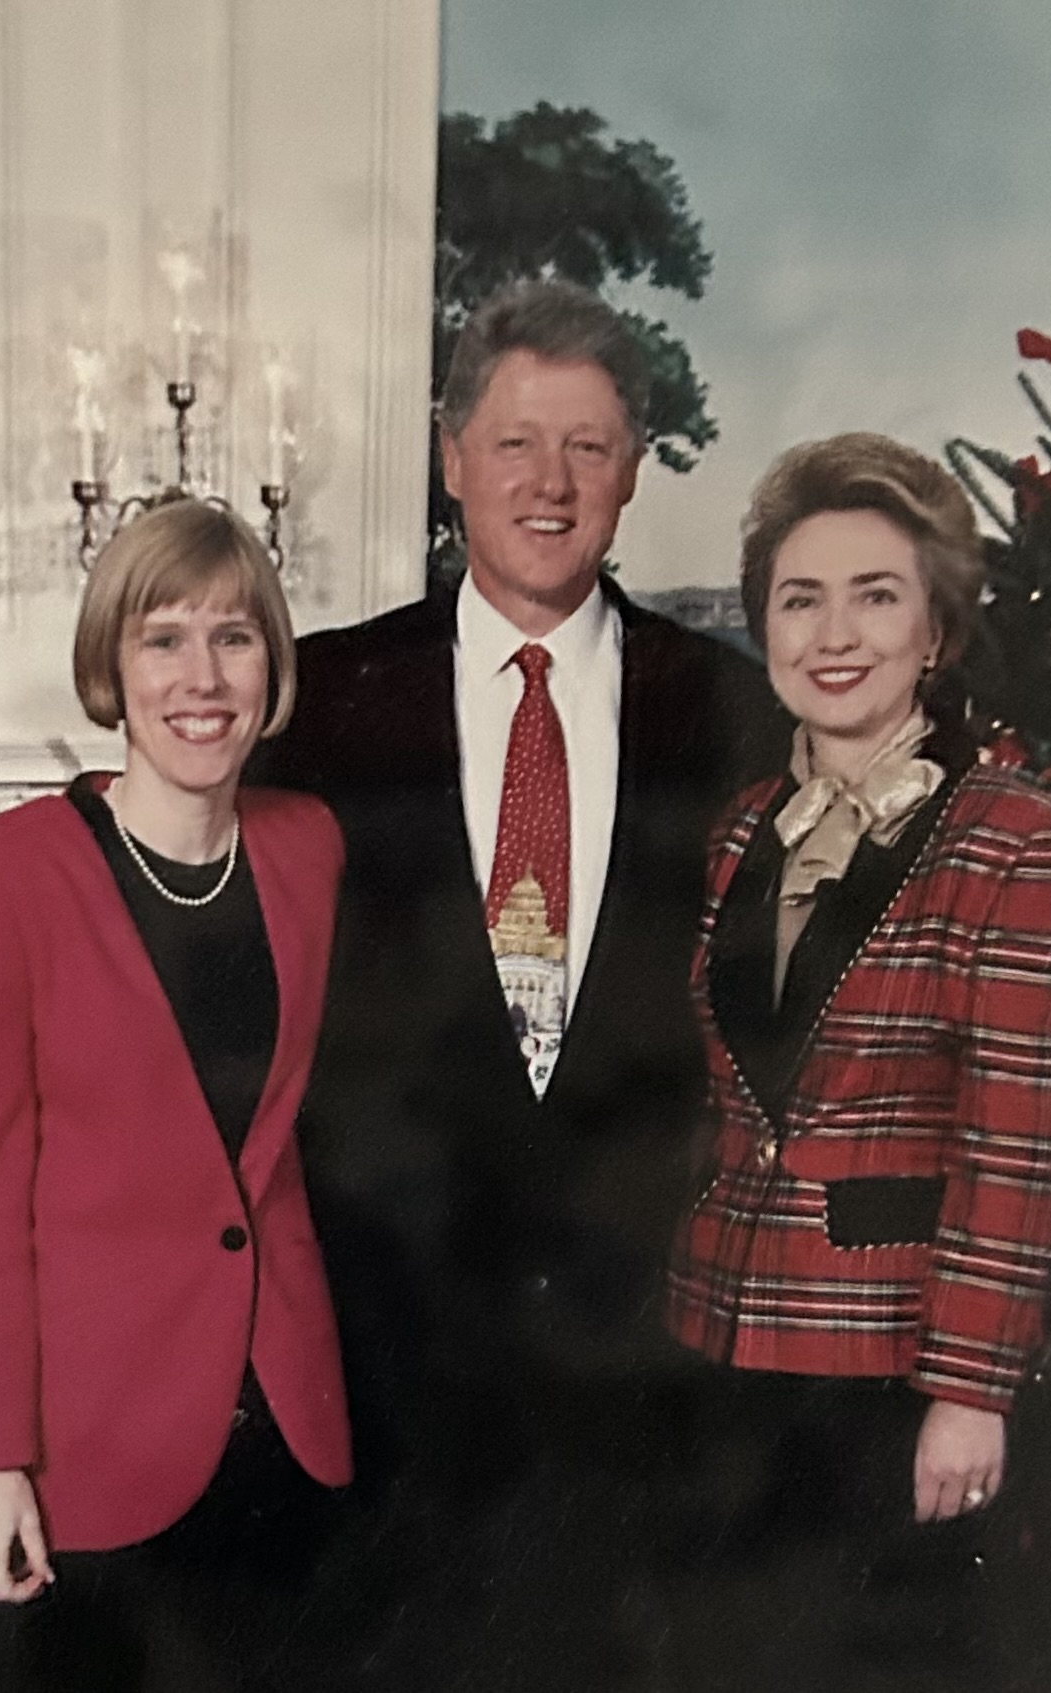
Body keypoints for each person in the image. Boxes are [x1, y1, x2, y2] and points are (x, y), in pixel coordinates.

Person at [251, 279, 779, 1688]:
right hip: (390, 1358)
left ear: (632, 473)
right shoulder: (318, 706)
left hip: (642, 1359)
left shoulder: (732, 709)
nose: (550, 484)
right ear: (449, 459)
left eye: (590, 447)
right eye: (515, 442)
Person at [661, 433, 1051, 1692]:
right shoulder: (747, 827)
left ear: (934, 630)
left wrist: (967, 1391)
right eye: (798, 599)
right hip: (726, 1341)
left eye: (875, 594)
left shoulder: (1018, 839)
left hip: (892, 1369)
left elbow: (1012, 1147)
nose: (832, 632)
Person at [0, 499, 352, 1692]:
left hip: (283, 1425)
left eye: (234, 636)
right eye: (162, 638)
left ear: (272, 664)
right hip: (91, 1449)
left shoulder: (306, 846)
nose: (200, 676)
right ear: (110, 668)